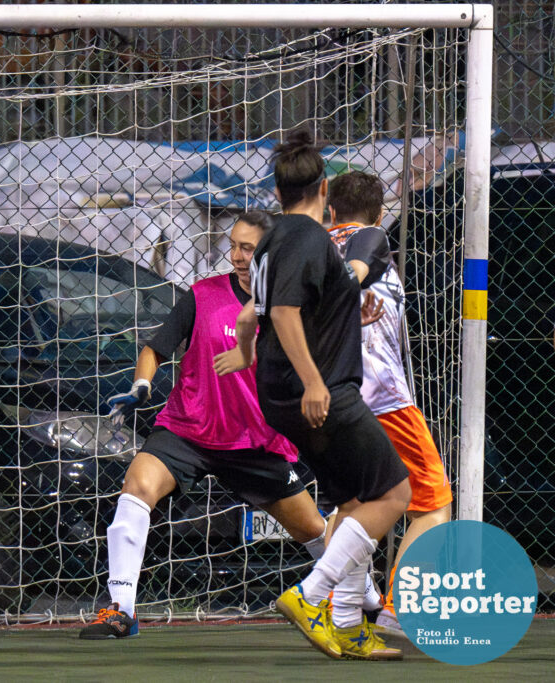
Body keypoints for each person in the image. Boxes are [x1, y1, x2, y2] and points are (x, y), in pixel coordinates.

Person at [79, 211, 330, 640]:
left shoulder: (292, 308)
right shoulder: (203, 295)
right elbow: (155, 349)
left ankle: (365, 598)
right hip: (188, 430)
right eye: (232, 245)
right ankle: (121, 609)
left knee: (312, 529)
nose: (234, 255)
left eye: (246, 248)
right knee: (136, 487)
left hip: (254, 441)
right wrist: (141, 385)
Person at [215, 131, 411, 661]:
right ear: (323, 188)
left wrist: (249, 353)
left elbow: (252, 311)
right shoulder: (305, 237)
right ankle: (311, 594)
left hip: (287, 391)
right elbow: (281, 312)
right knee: (396, 495)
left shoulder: (272, 241)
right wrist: (317, 381)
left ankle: (348, 623)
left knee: (353, 504)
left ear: (276, 192)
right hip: (318, 393)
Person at [325, 171, 452, 637]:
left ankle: (338, 608)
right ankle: (400, 610)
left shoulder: (308, 248)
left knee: (354, 503)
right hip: (382, 398)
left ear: (330, 210)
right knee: (433, 504)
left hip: (328, 396)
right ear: (379, 215)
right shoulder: (373, 239)